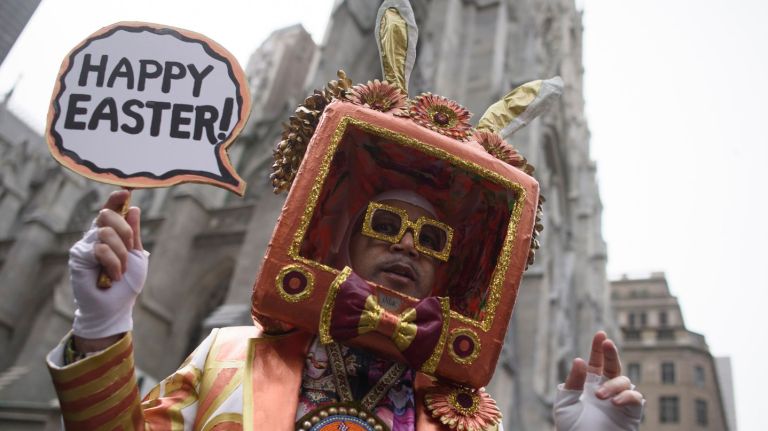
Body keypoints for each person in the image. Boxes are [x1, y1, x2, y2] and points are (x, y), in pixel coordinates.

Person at [47, 188, 643, 430]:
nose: (406, 244)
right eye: (385, 225)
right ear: (345, 246)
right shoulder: (229, 351)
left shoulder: (468, 416)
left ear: (444, 272)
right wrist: (102, 327)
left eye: (430, 239)